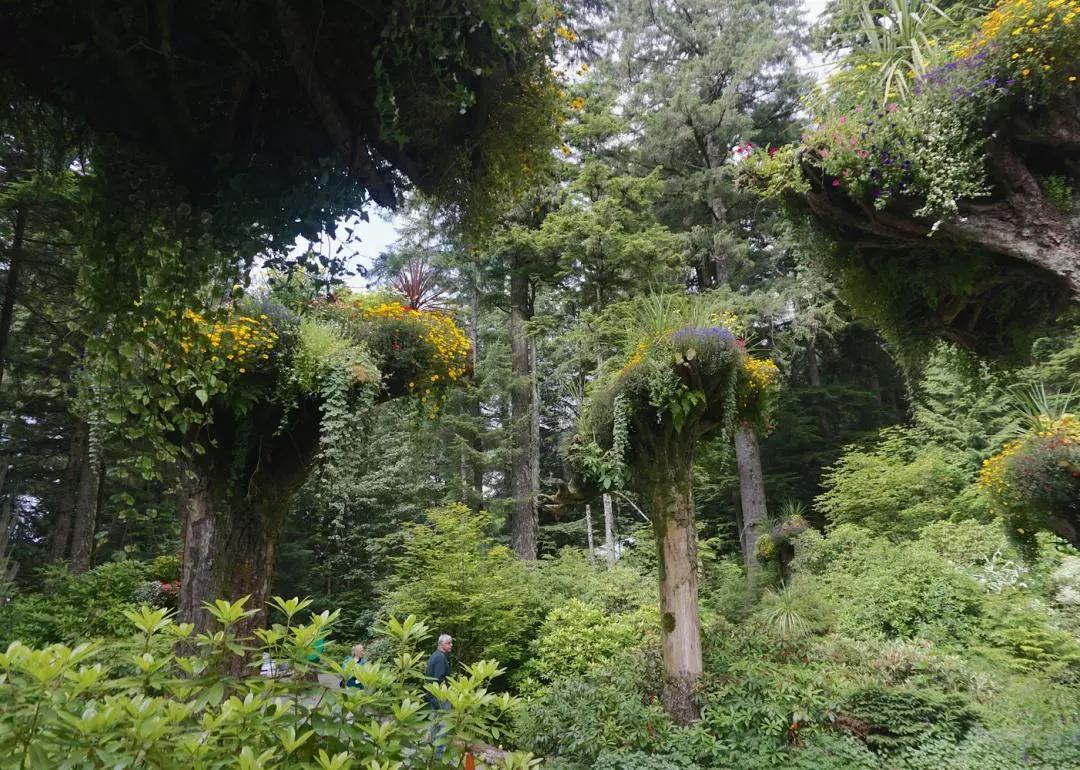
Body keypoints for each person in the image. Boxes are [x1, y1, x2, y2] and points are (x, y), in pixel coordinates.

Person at [425, 634, 453, 755]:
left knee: (435, 724)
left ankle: (430, 750)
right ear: (441, 644)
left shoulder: (435, 656)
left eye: (451, 642)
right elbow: (439, 678)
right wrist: (447, 693)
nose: (451, 645)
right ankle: (439, 754)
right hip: (440, 696)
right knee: (444, 725)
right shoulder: (441, 658)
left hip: (432, 695)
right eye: (449, 643)